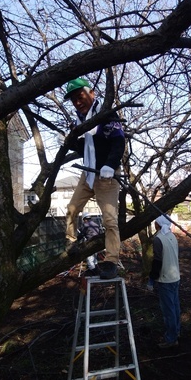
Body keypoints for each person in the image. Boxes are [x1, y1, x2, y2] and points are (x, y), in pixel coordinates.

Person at [64, 77, 125, 280]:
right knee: (72, 208)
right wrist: (69, 140)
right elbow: (82, 148)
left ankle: (111, 260)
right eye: (73, 99)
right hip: (88, 172)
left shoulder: (107, 115)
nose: (77, 102)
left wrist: (111, 164)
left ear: (92, 94)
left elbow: (118, 141)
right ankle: (71, 242)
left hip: (107, 174)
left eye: (80, 96)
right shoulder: (79, 122)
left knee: (109, 219)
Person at [148, 215, 181, 349]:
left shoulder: (158, 239)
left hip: (165, 279)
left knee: (168, 311)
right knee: (175, 307)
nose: (154, 224)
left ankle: (171, 339)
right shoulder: (172, 236)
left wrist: (151, 279)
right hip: (175, 277)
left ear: (158, 224)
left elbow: (157, 261)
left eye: (155, 222)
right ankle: (176, 332)